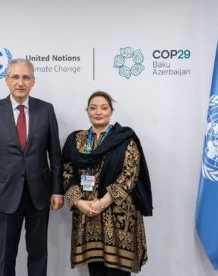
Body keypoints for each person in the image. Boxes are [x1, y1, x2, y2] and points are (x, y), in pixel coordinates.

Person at [0, 58, 64, 276]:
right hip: (4, 195)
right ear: (6, 80)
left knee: (38, 255)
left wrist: (57, 189)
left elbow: (55, 154)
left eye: (26, 77)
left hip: (39, 194)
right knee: (6, 256)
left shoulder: (46, 110)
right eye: (15, 76)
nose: (20, 82)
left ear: (33, 81)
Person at [62, 91, 153, 276]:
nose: (98, 112)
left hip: (118, 215)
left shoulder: (124, 138)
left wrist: (103, 202)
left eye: (104, 108)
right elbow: (66, 172)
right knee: (95, 270)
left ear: (111, 111)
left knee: (117, 271)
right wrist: (79, 202)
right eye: (93, 108)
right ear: (87, 111)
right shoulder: (75, 140)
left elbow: (130, 174)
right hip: (87, 214)